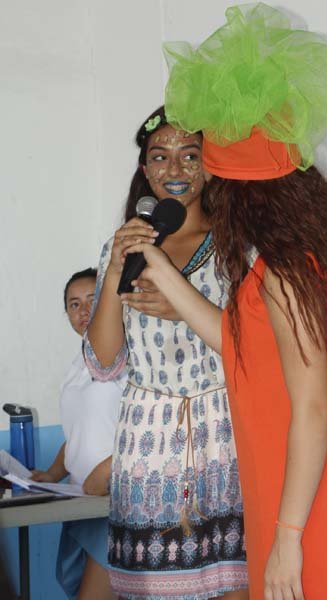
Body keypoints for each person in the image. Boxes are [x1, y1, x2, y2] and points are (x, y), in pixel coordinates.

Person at [124, 4, 327, 600]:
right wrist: (160, 265)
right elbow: (237, 343)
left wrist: (288, 538)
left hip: (309, 518)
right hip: (324, 502)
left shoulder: (288, 274)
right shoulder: (306, 263)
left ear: (247, 196)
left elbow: (315, 407)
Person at [84, 106, 248, 599]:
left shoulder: (237, 245)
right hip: (147, 440)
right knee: (153, 585)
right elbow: (104, 361)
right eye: (160, 156)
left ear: (210, 166)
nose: (174, 168)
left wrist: (185, 310)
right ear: (145, 169)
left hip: (224, 434)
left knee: (234, 581)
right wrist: (117, 268)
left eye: (189, 155)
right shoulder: (123, 247)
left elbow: (257, 348)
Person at [31, 268, 124, 600]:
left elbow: (150, 424)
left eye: (92, 299)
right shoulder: (78, 365)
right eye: (74, 304)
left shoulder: (130, 355)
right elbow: (79, 432)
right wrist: (51, 474)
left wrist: (110, 468)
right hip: (82, 502)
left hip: (116, 504)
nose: (84, 311)